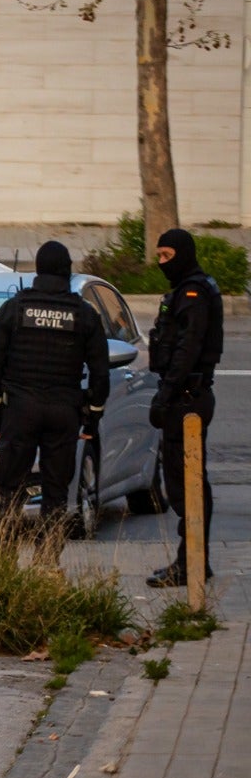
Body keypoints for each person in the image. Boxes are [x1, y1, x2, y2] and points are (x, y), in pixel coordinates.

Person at [0, 241, 109, 534]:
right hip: (64, 413)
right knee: (56, 494)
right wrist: (92, 417)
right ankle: (48, 565)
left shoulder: (14, 309)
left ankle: (2, 562)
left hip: (20, 411)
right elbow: (100, 373)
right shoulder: (84, 314)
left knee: (10, 488)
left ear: (37, 269)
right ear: (67, 272)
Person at [144, 227, 224, 587]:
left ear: (183, 254)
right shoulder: (189, 289)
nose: (161, 263)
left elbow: (186, 350)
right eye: (158, 256)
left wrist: (166, 395)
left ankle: (190, 562)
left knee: (185, 484)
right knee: (186, 482)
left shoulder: (193, 293)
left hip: (186, 398)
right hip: (185, 394)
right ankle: (192, 560)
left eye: (166, 256)